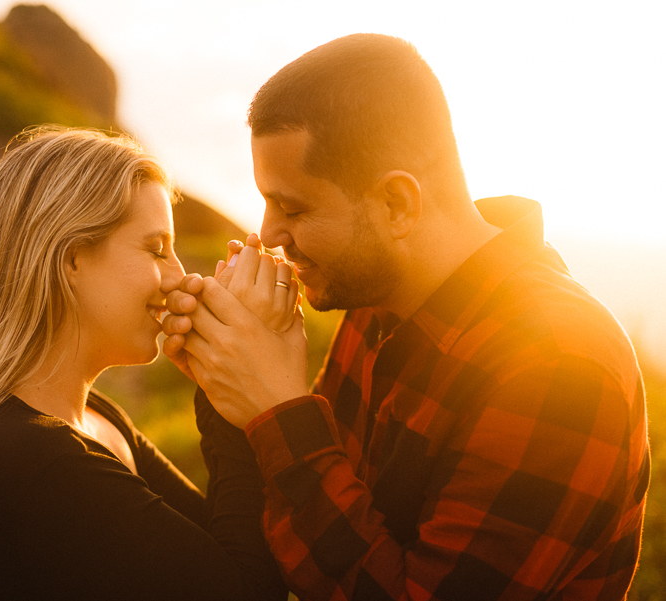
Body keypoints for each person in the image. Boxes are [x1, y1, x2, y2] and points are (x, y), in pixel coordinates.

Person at [163, 34, 650, 600]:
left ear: (397, 203)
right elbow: (315, 523)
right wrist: (235, 381)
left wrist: (278, 410)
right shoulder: (377, 298)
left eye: (293, 207)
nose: (268, 234)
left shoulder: (559, 365)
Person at [0, 127, 288, 601]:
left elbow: (217, 551)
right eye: (155, 249)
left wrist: (223, 382)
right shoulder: (26, 457)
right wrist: (235, 402)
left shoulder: (100, 421)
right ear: (71, 259)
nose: (179, 275)